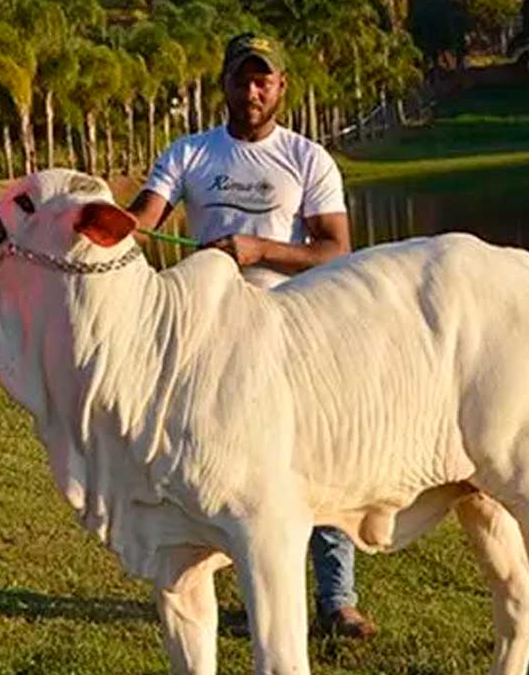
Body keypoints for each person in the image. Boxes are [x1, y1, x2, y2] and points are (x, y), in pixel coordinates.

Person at [128, 32, 377, 640]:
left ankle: (336, 600)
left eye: (263, 78)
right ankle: (236, 589)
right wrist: (89, 221)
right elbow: (141, 223)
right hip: (208, 336)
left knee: (314, 458)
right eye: (242, 77)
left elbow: (337, 251)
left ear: (281, 86)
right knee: (214, 466)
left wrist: (256, 249)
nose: (252, 89)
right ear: (225, 84)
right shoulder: (188, 154)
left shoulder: (306, 159)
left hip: (297, 329)